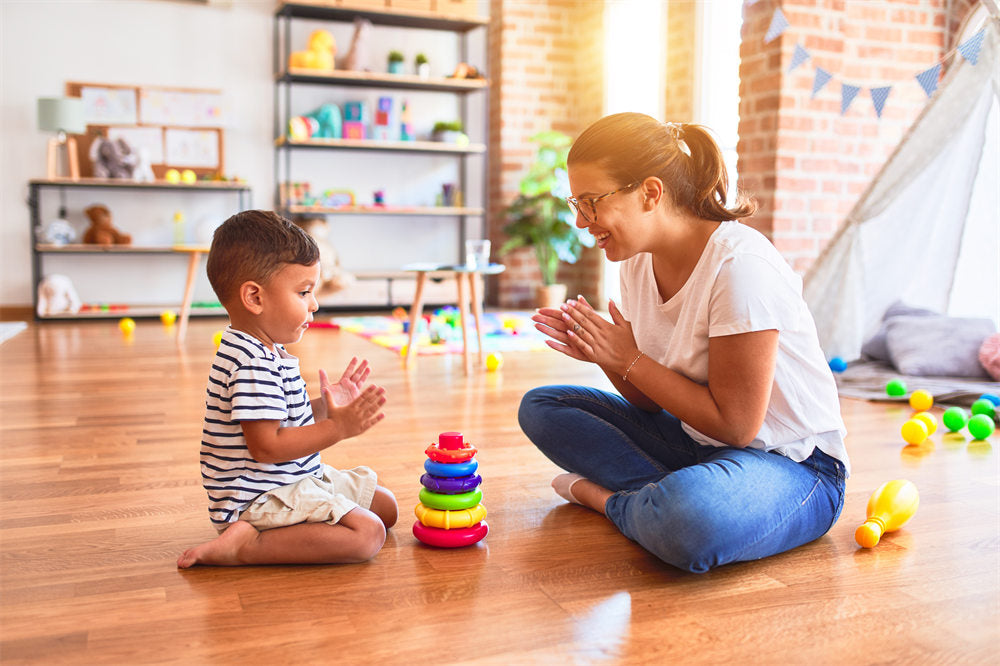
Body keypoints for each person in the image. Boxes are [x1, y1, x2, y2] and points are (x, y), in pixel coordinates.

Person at [519, 113, 849, 574]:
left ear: (651, 193)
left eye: (591, 202)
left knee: (688, 522)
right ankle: (668, 499)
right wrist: (607, 356)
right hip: (696, 441)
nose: (580, 220)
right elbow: (647, 403)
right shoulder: (636, 265)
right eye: (577, 202)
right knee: (543, 407)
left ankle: (613, 501)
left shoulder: (740, 268)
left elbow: (737, 427)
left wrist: (627, 357)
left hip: (793, 465)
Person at [177, 210, 397, 568]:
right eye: (304, 291)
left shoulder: (265, 348)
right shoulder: (251, 362)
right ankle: (245, 544)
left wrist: (327, 407)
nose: (315, 303)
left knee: (385, 506)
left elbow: (282, 420)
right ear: (255, 297)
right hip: (260, 497)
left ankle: (269, 532)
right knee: (368, 534)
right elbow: (267, 446)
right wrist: (337, 429)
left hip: (292, 479)